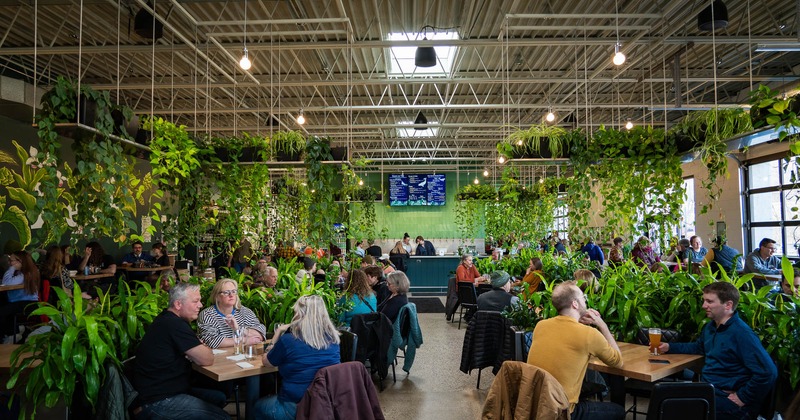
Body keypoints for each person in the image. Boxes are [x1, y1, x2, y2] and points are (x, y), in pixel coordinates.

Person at [658, 282, 777, 420]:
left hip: (728, 399)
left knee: (672, 408)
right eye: (704, 300)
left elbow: (769, 372)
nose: (703, 306)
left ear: (728, 305)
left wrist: (743, 396)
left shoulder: (742, 334)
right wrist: (669, 347)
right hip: (708, 390)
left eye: (709, 301)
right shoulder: (710, 327)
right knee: (663, 397)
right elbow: (698, 348)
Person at [526, 281, 624, 420]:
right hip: (563, 412)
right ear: (575, 304)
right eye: (583, 298)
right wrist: (602, 325)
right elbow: (617, 361)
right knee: (619, 411)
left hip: (535, 406)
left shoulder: (541, 326)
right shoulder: (588, 334)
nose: (585, 301)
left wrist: (578, 321)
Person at [132, 282, 229, 420]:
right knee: (223, 418)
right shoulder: (174, 324)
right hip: (157, 401)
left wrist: (201, 348)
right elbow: (207, 359)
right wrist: (203, 349)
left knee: (218, 398)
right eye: (195, 301)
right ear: (178, 304)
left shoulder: (167, 319)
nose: (200, 305)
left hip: (163, 392)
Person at [254, 295, 340, 420]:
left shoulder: (288, 340)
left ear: (299, 315)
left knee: (257, 407)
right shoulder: (334, 340)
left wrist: (277, 333)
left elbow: (266, 362)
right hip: (325, 405)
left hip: (295, 406)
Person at [197, 278, 266, 348]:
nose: (231, 295)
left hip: (245, 355)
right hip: (219, 357)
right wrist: (245, 340)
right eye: (226, 292)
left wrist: (238, 328)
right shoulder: (207, 314)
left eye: (234, 291)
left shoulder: (244, 312)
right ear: (217, 296)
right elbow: (211, 341)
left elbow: (260, 333)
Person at [0, 251, 39, 343]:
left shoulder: (27, 274)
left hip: (27, 303)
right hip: (19, 302)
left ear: (20, 261)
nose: (9, 263)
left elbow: (6, 282)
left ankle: (4, 338)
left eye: (11, 261)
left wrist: (12, 268)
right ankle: (14, 332)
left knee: (1, 311)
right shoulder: (22, 273)